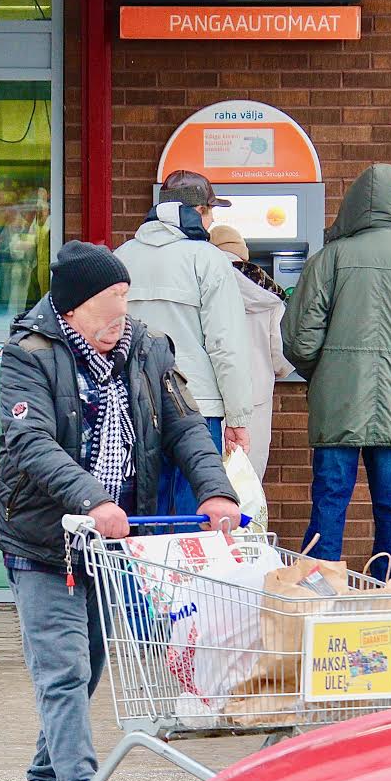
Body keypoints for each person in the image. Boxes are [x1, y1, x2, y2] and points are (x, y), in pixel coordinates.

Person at [0, 241, 240, 781]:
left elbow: (184, 427)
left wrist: (216, 491)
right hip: (43, 537)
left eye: (124, 303)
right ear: (72, 308)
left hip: (111, 547)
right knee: (64, 672)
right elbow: (29, 442)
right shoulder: (28, 354)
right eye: (109, 306)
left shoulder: (148, 348)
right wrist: (91, 498)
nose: (119, 318)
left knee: (86, 673)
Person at [282, 164, 391, 588]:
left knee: (329, 503)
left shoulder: (332, 258)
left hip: (337, 404)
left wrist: (323, 374)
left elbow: (299, 338)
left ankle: (319, 598)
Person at [114, 170, 251, 525]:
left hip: (134, 403)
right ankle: (189, 581)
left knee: (142, 514)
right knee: (199, 515)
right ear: (201, 211)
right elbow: (227, 346)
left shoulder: (121, 257)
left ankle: (139, 582)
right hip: (198, 408)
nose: (213, 219)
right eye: (212, 211)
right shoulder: (208, 260)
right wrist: (237, 418)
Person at [208, 225, 296, 480]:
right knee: (248, 480)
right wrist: (277, 370)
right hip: (255, 397)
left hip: (209, 396)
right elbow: (280, 353)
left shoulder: (202, 281)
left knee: (209, 482)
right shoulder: (269, 293)